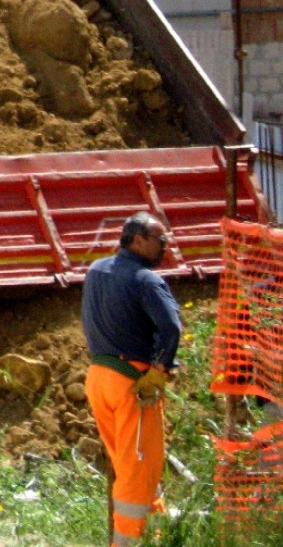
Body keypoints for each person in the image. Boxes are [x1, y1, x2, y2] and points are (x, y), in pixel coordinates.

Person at [81, 211, 183, 547]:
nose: (165, 246)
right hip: (133, 386)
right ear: (138, 240)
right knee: (138, 469)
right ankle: (126, 543)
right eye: (160, 240)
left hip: (99, 378)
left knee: (130, 465)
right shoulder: (146, 280)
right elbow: (171, 328)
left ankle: (153, 534)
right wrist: (159, 370)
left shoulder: (96, 270)